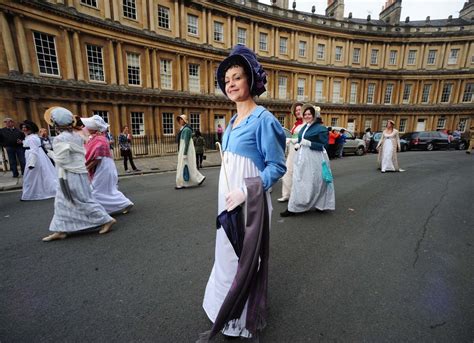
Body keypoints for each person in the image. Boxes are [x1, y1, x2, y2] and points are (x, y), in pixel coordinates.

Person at [201, 45, 286, 341]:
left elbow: (277, 166)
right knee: (226, 254)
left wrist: (244, 192)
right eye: (226, 80)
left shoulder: (264, 119)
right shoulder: (234, 120)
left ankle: (238, 318)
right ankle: (223, 309)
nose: (231, 84)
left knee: (243, 258)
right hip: (229, 199)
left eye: (237, 77)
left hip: (249, 202)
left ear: (250, 80)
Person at [41, 107, 116, 242]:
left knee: (79, 199)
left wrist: (50, 154)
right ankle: (61, 229)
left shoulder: (59, 139)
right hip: (79, 172)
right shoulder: (77, 136)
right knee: (62, 201)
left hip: (68, 174)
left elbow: (62, 160)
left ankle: (106, 219)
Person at [280, 104, 335, 217]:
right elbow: (301, 139)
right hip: (302, 156)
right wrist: (294, 141)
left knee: (318, 181)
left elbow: (324, 145)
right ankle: (294, 207)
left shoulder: (321, 128)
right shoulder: (305, 127)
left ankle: (322, 204)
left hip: (315, 158)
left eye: (309, 114)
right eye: (305, 114)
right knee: (299, 180)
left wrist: (310, 144)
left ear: (314, 115)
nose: (307, 116)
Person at [82, 115, 134, 215]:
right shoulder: (96, 138)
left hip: (103, 168)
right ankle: (125, 203)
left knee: (96, 191)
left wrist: (86, 168)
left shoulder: (99, 139)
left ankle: (99, 212)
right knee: (107, 190)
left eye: (87, 126)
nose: (85, 128)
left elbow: (97, 158)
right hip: (104, 167)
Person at [20, 120, 57, 201]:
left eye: (25, 128)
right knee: (40, 175)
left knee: (30, 176)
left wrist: (31, 163)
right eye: (22, 128)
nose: (23, 129)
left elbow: (34, 151)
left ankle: (29, 194)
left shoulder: (32, 138)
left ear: (31, 128)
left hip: (34, 158)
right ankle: (33, 193)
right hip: (34, 156)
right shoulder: (30, 137)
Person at [278, 101, 304, 202]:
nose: (298, 112)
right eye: (296, 110)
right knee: (288, 171)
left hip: (301, 149)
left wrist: (293, 140)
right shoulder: (295, 124)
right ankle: (286, 194)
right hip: (292, 149)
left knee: (299, 173)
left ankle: (298, 196)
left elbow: (305, 137)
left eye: (299, 110)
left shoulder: (307, 123)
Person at [175, 115, 205, 188]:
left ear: (184, 120)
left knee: (183, 165)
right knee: (188, 166)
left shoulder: (186, 130)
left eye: (181, 119)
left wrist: (185, 153)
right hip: (184, 149)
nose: (180, 121)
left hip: (186, 150)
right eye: (179, 119)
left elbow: (186, 142)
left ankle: (181, 183)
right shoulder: (183, 129)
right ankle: (199, 178)